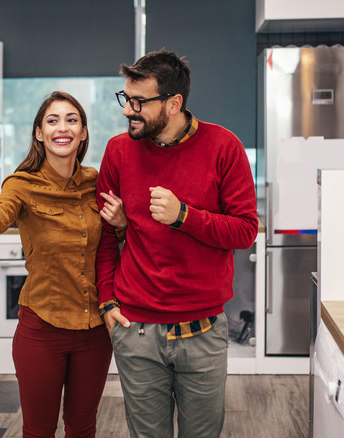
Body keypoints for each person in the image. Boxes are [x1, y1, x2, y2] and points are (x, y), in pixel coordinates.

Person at [95, 50, 259, 438]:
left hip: (202, 331)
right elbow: (104, 235)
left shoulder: (224, 146)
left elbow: (245, 230)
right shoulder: (118, 151)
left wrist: (184, 215)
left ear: (174, 103)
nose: (127, 111)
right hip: (135, 329)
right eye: (125, 99)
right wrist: (107, 302)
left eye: (139, 103)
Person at [0, 91, 126, 438]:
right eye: (53, 120)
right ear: (39, 133)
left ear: (84, 132)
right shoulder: (22, 184)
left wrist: (121, 224)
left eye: (72, 119)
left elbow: (111, 246)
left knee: (83, 426)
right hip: (42, 329)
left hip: (94, 330)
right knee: (38, 430)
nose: (63, 127)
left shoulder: (98, 182)